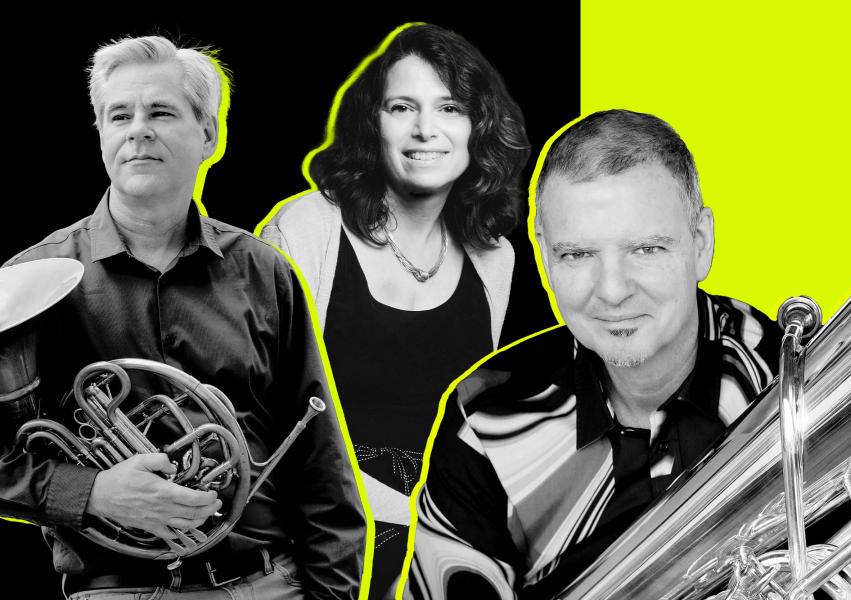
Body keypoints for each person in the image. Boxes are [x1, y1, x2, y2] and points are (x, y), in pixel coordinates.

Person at [0, 36, 366, 599]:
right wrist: (90, 491)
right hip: (116, 589)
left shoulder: (265, 272)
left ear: (209, 135)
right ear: (100, 133)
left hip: (268, 584)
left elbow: (321, 467)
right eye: (119, 114)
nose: (137, 129)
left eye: (161, 112)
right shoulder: (30, 280)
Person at [408, 109, 784, 599]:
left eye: (646, 249)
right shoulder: (488, 415)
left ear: (701, 243)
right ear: (544, 256)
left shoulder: (789, 379)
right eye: (577, 255)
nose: (611, 292)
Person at [260, 23, 534, 599]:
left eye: (450, 107)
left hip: (435, 552)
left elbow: (471, 426)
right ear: (373, 124)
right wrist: (423, 515)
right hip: (314, 545)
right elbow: (265, 423)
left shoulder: (494, 258)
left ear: (478, 128)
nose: (425, 130)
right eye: (402, 107)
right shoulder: (308, 227)